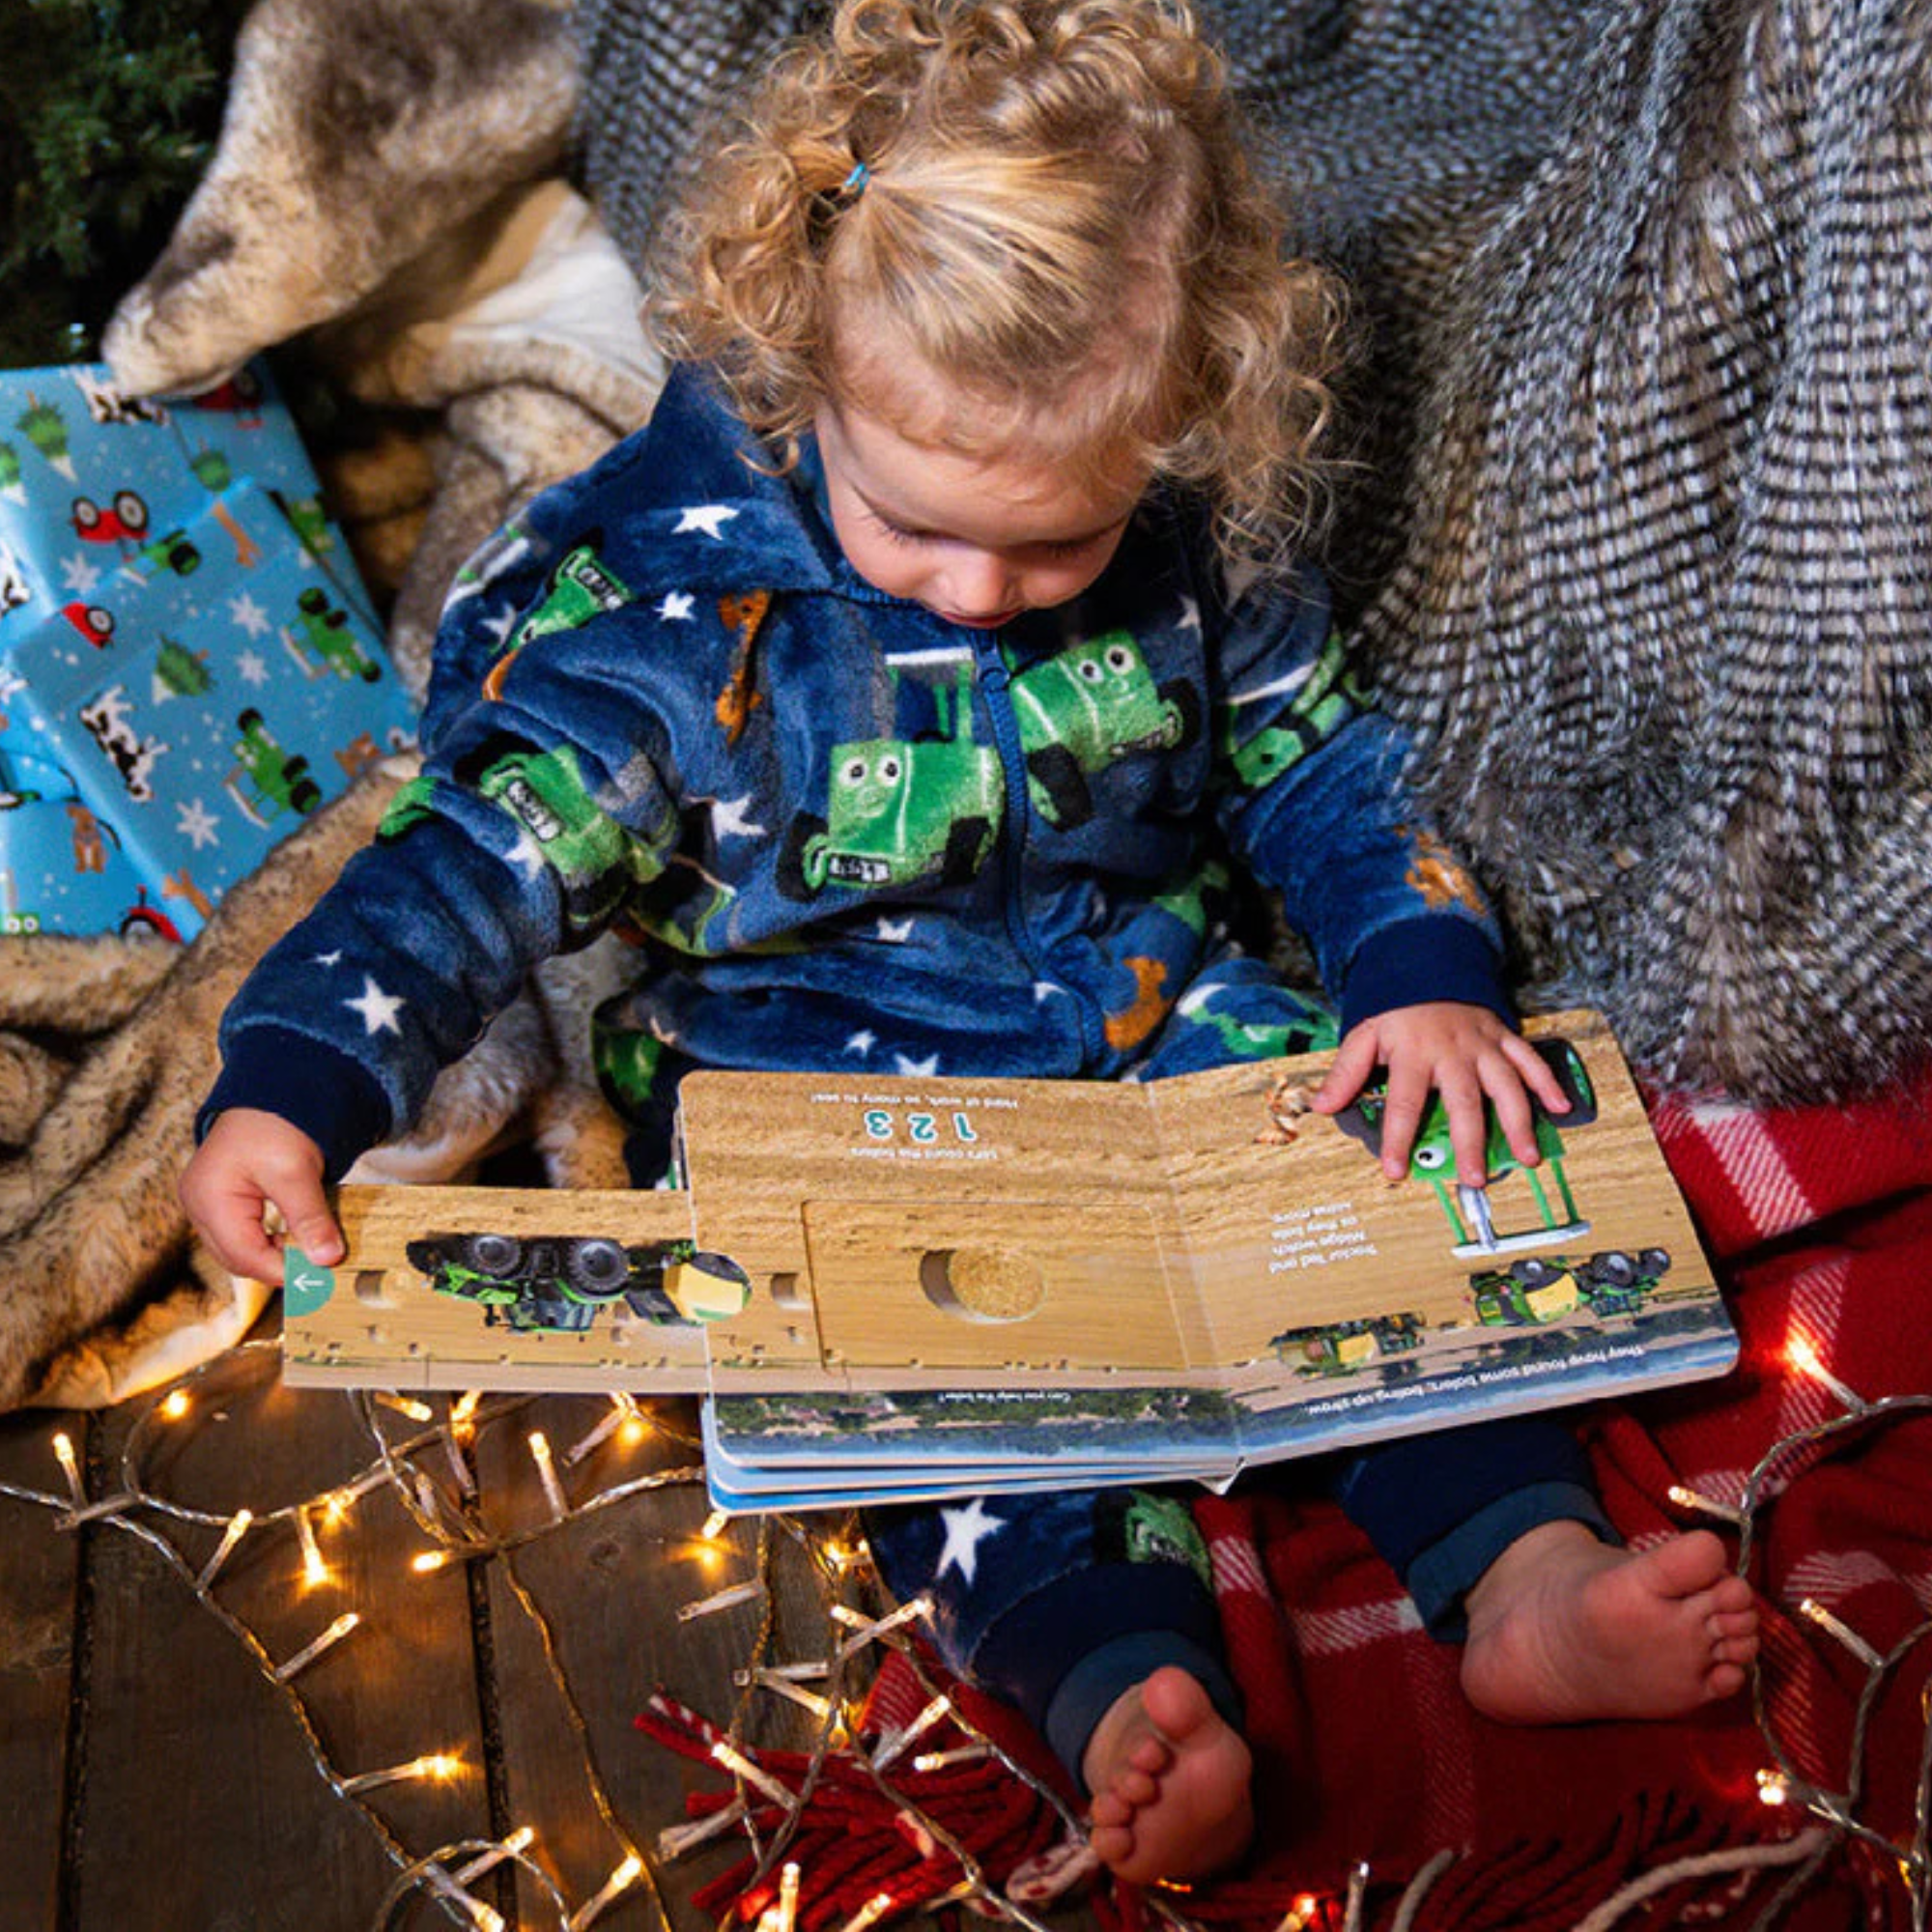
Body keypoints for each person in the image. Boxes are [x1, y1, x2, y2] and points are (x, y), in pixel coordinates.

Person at [180, 0, 1758, 1889]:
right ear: (801, 362)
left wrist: (1419, 978)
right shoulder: (671, 620)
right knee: (945, 1418)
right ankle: (1131, 1690)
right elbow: (458, 876)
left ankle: (1521, 1573)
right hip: (821, 1075)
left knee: (1393, 1203)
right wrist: (289, 1079)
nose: (983, 596)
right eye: (922, 530)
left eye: (1055, 549)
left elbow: (1322, 764)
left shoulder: (1181, 527)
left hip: (1156, 1002)